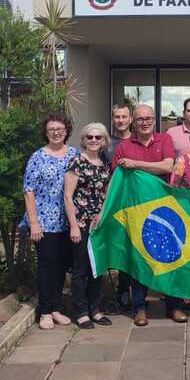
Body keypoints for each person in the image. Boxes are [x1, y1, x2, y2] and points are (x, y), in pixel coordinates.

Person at [112, 103, 181, 326]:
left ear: (154, 120)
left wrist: (135, 165)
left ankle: (174, 306)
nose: (145, 122)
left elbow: (168, 167)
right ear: (133, 120)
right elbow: (116, 180)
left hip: (164, 209)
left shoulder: (165, 140)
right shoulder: (124, 146)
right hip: (135, 210)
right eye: (140, 118)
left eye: (148, 118)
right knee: (139, 260)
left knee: (169, 257)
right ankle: (140, 308)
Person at [22, 113, 78, 330]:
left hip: (69, 220)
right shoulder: (37, 157)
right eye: (51, 129)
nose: (56, 132)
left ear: (67, 131)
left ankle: (55, 308)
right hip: (44, 221)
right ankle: (45, 311)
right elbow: (28, 191)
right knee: (47, 265)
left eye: (60, 129)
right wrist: (34, 222)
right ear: (46, 132)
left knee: (62, 265)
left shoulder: (74, 154)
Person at [65, 123, 113, 329]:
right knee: (81, 269)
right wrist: (74, 226)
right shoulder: (77, 162)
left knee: (97, 268)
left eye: (99, 137)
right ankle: (81, 311)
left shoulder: (103, 163)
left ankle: (96, 309)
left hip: (98, 224)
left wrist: (102, 215)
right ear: (84, 140)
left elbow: (106, 193)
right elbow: (67, 196)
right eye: (90, 137)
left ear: (104, 141)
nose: (94, 140)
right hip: (81, 222)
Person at [105, 102, 134, 312]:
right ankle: (122, 292)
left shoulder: (137, 141)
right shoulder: (106, 144)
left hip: (136, 201)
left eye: (124, 116)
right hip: (114, 202)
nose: (121, 120)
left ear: (130, 119)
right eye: (117, 117)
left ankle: (135, 291)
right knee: (121, 247)